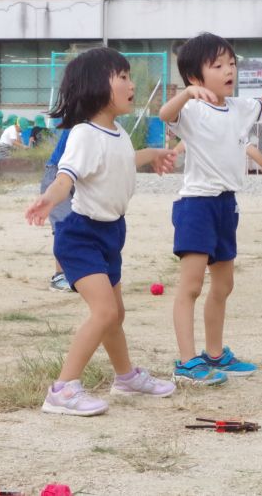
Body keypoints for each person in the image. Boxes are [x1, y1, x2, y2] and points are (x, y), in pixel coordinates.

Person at [25, 47, 178, 416]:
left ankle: (125, 377)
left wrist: (154, 152)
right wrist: (49, 198)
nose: (131, 83)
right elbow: (67, 176)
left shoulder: (116, 132)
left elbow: (123, 159)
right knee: (105, 312)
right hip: (81, 235)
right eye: (122, 77)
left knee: (115, 313)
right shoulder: (83, 134)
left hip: (111, 233)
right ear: (95, 86)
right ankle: (62, 389)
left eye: (129, 76)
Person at [159, 32, 262, 385]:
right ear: (195, 77)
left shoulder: (238, 107)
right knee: (190, 287)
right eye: (218, 65)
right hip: (196, 205)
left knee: (223, 286)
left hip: (226, 204)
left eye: (232, 63)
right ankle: (187, 361)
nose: (229, 70)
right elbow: (166, 113)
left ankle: (214, 353)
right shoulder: (191, 109)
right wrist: (186, 94)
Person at [42, 128, 75, 292]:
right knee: (64, 225)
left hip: (78, 176)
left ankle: (80, 272)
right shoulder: (80, 124)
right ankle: (60, 275)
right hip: (57, 174)